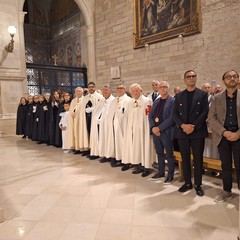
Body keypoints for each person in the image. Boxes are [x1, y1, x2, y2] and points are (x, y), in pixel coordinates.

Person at [172, 70, 209, 196]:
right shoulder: (179, 96)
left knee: (198, 159)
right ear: (185, 80)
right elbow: (174, 113)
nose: (191, 78)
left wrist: (193, 126)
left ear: (196, 78)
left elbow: (205, 112)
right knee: (185, 158)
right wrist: (183, 126)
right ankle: (187, 183)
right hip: (182, 132)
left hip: (197, 131)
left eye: (193, 76)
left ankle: (198, 184)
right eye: (189, 77)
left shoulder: (203, 94)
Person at [208, 70, 240, 203]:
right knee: (225, 165)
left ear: (238, 79)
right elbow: (211, 118)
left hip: (239, 136)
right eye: (228, 76)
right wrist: (224, 132)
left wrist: (238, 133)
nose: (232, 78)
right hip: (223, 136)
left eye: (235, 76)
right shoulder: (217, 98)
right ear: (223, 80)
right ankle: (226, 190)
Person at [122, 83, 154, 177]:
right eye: (133, 91)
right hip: (133, 129)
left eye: (137, 90)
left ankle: (146, 167)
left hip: (143, 129)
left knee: (144, 147)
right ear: (131, 92)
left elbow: (149, 115)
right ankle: (139, 165)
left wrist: (148, 128)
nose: (135, 92)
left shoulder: (147, 101)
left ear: (140, 91)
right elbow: (127, 116)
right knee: (136, 147)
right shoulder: (130, 102)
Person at [149, 81, 175, 183]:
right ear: (158, 89)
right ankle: (161, 172)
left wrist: (159, 128)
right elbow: (150, 116)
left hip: (166, 131)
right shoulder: (156, 101)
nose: (163, 89)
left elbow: (172, 118)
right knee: (159, 153)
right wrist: (153, 128)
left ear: (168, 89)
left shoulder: (172, 101)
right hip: (156, 132)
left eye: (165, 87)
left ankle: (170, 175)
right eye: (161, 87)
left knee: (169, 154)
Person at [103, 83, 131, 167]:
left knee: (123, 142)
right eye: (118, 88)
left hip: (123, 125)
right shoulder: (114, 100)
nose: (119, 90)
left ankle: (125, 161)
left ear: (124, 89)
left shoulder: (128, 100)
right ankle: (115, 157)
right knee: (114, 142)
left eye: (121, 88)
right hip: (113, 125)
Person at [89, 85, 115, 160]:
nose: (105, 92)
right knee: (102, 139)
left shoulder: (113, 100)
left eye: (107, 90)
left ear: (110, 91)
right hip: (100, 123)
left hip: (109, 124)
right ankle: (104, 154)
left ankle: (110, 156)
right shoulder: (102, 100)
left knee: (109, 139)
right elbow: (97, 110)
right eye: (104, 90)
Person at [79, 82, 103, 156]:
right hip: (87, 118)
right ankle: (89, 149)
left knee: (96, 134)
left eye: (92, 87)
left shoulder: (99, 96)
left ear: (95, 87)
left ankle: (97, 151)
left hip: (95, 119)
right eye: (89, 87)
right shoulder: (86, 97)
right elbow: (83, 108)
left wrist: (93, 109)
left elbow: (101, 108)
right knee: (88, 132)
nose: (91, 88)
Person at [68, 87, 84, 154]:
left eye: (79, 91)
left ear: (82, 92)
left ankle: (82, 147)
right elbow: (71, 110)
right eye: (77, 91)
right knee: (75, 133)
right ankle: (76, 147)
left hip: (81, 120)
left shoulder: (84, 100)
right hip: (74, 119)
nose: (78, 92)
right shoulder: (73, 100)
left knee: (81, 133)